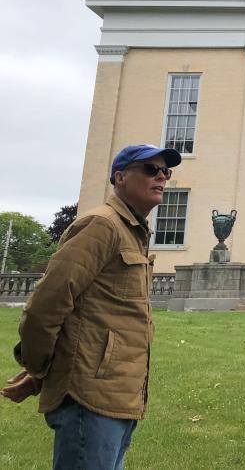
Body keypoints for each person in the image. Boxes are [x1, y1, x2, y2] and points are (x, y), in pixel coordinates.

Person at [2, 144, 181, 470]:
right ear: (120, 177)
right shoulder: (102, 226)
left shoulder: (134, 232)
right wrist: (39, 368)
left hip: (120, 397)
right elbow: (45, 306)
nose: (161, 177)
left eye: (166, 172)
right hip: (90, 398)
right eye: (150, 170)